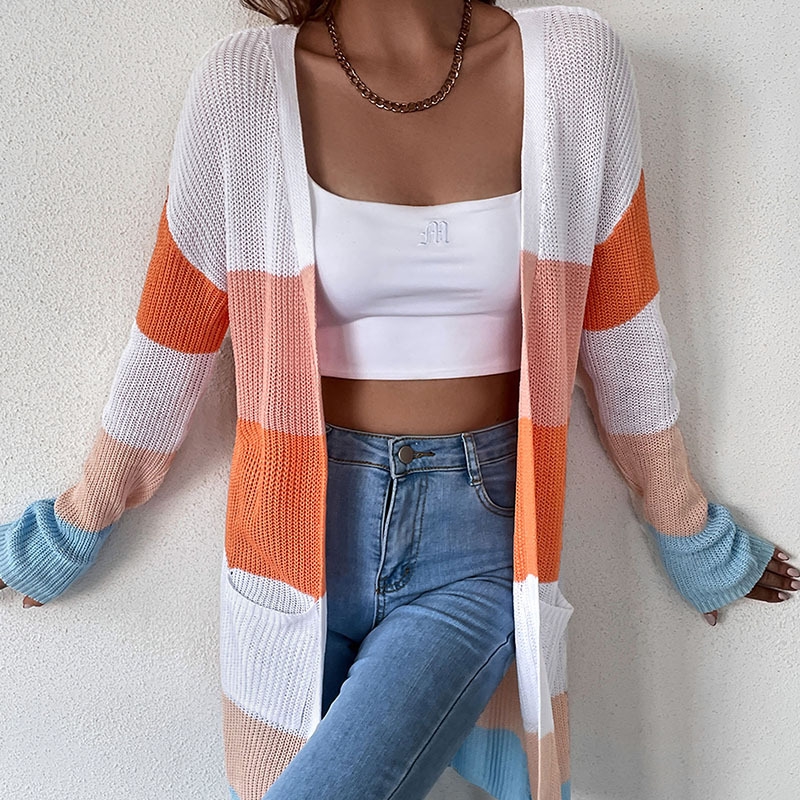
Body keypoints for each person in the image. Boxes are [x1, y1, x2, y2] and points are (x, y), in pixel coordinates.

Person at [2, 2, 797, 799]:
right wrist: (75, 524)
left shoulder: (575, 67)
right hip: (291, 537)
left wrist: (685, 524)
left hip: (476, 539)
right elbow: (171, 340)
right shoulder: (243, 88)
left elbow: (622, 329)